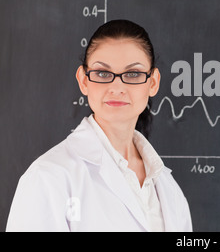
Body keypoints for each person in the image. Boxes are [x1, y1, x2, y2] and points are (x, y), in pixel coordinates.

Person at [6, 20, 192, 232]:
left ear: (153, 83)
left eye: (133, 74)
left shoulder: (168, 189)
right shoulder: (48, 177)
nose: (117, 87)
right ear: (83, 81)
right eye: (103, 73)